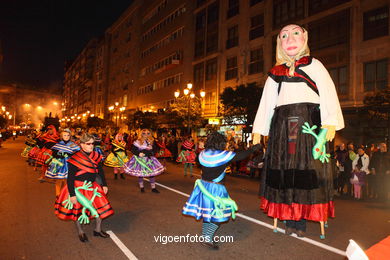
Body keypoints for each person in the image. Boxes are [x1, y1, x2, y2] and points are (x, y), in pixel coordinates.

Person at [252, 24, 344, 238]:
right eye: (284, 35)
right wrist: (259, 130)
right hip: (282, 128)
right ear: (279, 44)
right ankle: (287, 215)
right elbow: (266, 103)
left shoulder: (315, 65)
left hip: (308, 125)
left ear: (305, 38)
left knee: (305, 171)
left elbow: (329, 92)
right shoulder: (275, 73)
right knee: (283, 171)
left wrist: (330, 122)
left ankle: (300, 220)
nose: (289, 38)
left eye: (295, 33)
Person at [182, 131, 261, 249]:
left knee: (207, 213)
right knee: (220, 215)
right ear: (221, 143)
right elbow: (240, 156)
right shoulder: (222, 155)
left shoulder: (203, 153)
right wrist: (254, 148)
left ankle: (205, 235)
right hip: (216, 189)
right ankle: (207, 238)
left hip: (203, 187)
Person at [54, 133, 113, 242]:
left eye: (93, 143)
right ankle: (80, 232)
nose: (91, 146)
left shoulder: (96, 155)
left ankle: (98, 230)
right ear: (81, 144)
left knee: (98, 209)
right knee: (77, 212)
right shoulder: (75, 158)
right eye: (88, 143)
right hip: (78, 188)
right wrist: (72, 194)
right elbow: (70, 178)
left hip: (92, 187)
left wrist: (104, 184)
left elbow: (100, 171)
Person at [123, 129, 165, 193]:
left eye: (148, 133)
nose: (146, 135)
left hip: (149, 159)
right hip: (140, 160)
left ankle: (153, 188)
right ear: (141, 134)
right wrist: (138, 153)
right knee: (141, 174)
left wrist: (152, 150)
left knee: (152, 174)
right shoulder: (137, 141)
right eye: (144, 133)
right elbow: (133, 150)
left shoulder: (152, 141)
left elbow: (155, 150)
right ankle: (142, 187)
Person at [45, 129, 80, 197]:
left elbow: (76, 154)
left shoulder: (73, 145)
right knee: (59, 179)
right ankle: (58, 194)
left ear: (70, 136)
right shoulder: (58, 144)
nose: (66, 137)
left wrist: (69, 155)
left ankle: (66, 194)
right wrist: (60, 155)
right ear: (61, 136)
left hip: (69, 163)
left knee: (67, 180)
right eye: (65, 135)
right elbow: (54, 154)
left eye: (68, 135)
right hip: (59, 163)